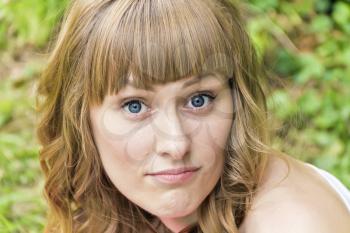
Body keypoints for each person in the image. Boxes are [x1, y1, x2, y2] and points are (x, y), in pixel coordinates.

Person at [36, 0, 350, 232]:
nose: (175, 144)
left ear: (237, 100)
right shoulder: (117, 202)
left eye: (198, 100)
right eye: (135, 106)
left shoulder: (292, 223)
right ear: (80, 118)